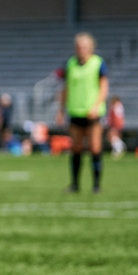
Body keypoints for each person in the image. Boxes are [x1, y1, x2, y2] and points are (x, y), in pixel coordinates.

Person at [55, 32, 108, 193]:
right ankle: (75, 184)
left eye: (84, 46)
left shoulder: (98, 63)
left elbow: (104, 87)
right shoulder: (70, 64)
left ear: (91, 48)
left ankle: (96, 185)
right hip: (75, 111)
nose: (81, 49)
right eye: (78, 47)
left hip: (92, 113)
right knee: (76, 149)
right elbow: (66, 88)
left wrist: (96, 106)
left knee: (94, 148)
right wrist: (61, 110)